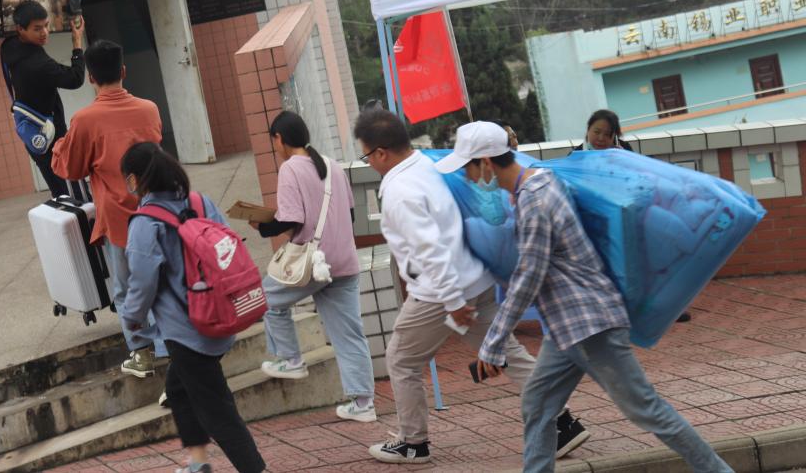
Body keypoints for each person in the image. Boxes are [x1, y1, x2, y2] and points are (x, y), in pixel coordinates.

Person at [461, 122, 733, 473]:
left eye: (467, 168)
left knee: (648, 410)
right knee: (538, 404)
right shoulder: (540, 180)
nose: (467, 178)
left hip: (590, 325)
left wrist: (494, 342)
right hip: (568, 325)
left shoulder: (535, 199)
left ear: (485, 162)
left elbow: (529, 275)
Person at [353, 111, 586, 464]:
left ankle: (413, 443)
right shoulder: (425, 166)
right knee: (505, 351)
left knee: (401, 360)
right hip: (475, 277)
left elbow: (430, 249)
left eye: (366, 156)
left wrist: (451, 300)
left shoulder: (400, 191)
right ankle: (563, 423)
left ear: (381, 153)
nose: (368, 163)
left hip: (441, 292)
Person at [121, 143, 266, 473]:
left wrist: (132, 319)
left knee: (217, 410)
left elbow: (141, 283)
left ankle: (254, 469)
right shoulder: (200, 202)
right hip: (219, 315)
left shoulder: (145, 222)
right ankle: (198, 462)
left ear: (134, 179)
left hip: (186, 330)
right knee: (178, 389)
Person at [249, 111, 375, 422]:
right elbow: (350, 214)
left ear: (279, 138)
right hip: (345, 261)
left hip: (314, 263)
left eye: (273, 141)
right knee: (350, 334)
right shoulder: (332, 165)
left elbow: (291, 219)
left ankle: (290, 359)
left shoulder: (290, 168)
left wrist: (262, 226)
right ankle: (363, 403)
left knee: (266, 298)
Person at [51, 40, 167, 376]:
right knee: (162, 279)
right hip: (156, 212)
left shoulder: (85, 120)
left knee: (127, 289)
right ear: (123, 71)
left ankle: (142, 352)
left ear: (90, 77)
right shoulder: (149, 109)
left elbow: (70, 168)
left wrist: (59, 144)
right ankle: (169, 344)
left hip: (118, 218)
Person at [575, 110, 691, 322]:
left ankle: (662, 307)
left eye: (607, 134)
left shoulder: (624, 151)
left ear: (615, 135)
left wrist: (621, 161)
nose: (600, 138)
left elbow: (640, 178)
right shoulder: (575, 157)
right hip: (596, 224)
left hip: (629, 216)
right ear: (588, 130)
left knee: (651, 258)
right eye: (596, 132)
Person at [0, 0, 86, 197]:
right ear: (20, 29)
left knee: (59, 193)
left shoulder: (8, 47)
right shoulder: (38, 64)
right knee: (74, 195)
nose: (44, 33)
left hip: (32, 134)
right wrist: (77, 43)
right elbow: (75, 79)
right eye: (37, 29)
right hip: (52, 137)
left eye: (46, 26)